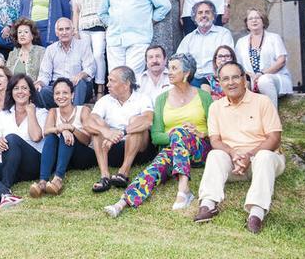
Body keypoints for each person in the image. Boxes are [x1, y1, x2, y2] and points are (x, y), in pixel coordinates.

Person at [104, 54, 212, 218]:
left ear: (187, 73)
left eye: (174, 68)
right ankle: (122, 202)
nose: (169, 72)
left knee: (179, 133)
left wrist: (200, 133)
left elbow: (217, 129)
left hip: (199, 150)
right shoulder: (162, 99)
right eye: (170, 68)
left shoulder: (203, 97)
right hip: (174, 151)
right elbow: (156, 137)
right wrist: (174, 135)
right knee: (155, 167)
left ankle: (184, 188)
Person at [194, 61, 284, 234]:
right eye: (225, 79)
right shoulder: (215, 108)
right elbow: (215, 140)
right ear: (219, 83)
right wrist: (234, 153)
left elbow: (274, 138)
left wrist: (249, 155)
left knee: (264, 156)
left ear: (244, 80)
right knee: (215, 155)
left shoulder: (262, 102)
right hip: (234, 163)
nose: (231, 82)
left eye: (235, 77)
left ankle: (256, 213)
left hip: (262, 161)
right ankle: (208, 205)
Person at [0, 74, 48, 209]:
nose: (20, 92)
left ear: (31, 92)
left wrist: (31, 113)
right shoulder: (5, 114)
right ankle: (4, 195)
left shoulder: (41, 113)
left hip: (32, 164)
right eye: (16, 88)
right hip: (10, 166)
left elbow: (36, 137)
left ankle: (5, 185)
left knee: (11, 138)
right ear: (11, 92)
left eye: (24, 88)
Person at [85, 66, 154, 193]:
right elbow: (88, 122)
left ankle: (123, 173)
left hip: (137, 150)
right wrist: (106, 132)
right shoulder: (105, 100)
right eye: (108, 80)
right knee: (97, 126)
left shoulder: (142, 98)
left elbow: (148, 120)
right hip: (110, 150)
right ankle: (105, 176)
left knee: (136, 121)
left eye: (112, 81)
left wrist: (122, 133)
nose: (107, 84)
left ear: (126, 84)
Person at [30, 78, 94, 197]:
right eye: (57, 93)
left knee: (67, 136)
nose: (61, 96)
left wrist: (71, 128)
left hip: (83, 156)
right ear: (53, 96)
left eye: (65, 93)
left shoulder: (83, 110)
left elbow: (87, 140)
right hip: (65, 157)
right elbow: (46, 131)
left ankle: (58, 179)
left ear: (72, 95)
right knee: (51, 137)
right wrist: (62, 129)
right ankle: (43, 181)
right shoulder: (53, 111)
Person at [235, 9, 293, 107]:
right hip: (251, 79)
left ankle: (272, 116)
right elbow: (238, 66)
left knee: (264, 80)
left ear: (263, 21)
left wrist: (262, 74)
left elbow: (281, 61)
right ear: (247, 24)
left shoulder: (274, 38)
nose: (254, 20)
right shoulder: (241, 42)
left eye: (257, 18)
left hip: (275, 77)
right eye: (250, 19)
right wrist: (250, 75)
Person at [35, 18, 95, 108]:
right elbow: (45, 74)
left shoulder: (83, 45)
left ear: (73, 31)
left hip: (76, 86)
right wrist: (40, 83)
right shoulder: (50, 49)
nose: (64, 32)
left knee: (81, 83)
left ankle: (74, 114)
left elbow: (90, 68)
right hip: (57, 87)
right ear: (56, 33)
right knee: (43, 91)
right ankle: (56, 115)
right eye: (61, 29)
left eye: (67, 29)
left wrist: (81, 75)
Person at [72, 0, 109, 99]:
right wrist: (75, 29)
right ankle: (89, 89)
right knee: (85, 58)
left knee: (98, 55)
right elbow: (76, 10)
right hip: (83, 27)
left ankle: (100, 88)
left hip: (100, 26)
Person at [176, 0, 234, 87]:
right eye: (200, 13)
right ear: (195, 18)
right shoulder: (188, 38)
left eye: (207, 12)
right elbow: (179, 61)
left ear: (213, 16)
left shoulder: (223, 34)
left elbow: (228, 59)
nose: (203, 15)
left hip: (217, 79)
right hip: (193, 80)